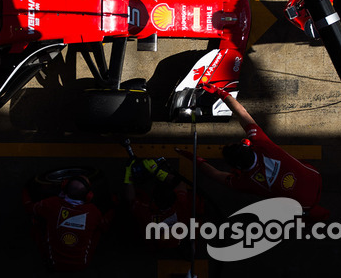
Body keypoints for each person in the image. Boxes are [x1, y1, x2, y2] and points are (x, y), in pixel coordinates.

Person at [176, 83, 328, 219]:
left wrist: (192, 158)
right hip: (313, 177)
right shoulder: (262, 145)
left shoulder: (247, 182)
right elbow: (242, 113)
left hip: (306, 202)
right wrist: (221, 93)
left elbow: (215, 174)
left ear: (237, 167)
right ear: (246, 147)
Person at [22, 174, 114, 272]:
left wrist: (25, 189)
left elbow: (29, 208)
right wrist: (113, 206)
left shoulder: (51, 204)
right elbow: (104, 226)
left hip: (54, 263)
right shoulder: (93, 212)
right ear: (89, 195)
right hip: (81, 265)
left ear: (64, 187)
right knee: (99, 227)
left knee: (35, 220)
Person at [122, 157, 200, 250]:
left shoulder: (146, 213)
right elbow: (181, 184)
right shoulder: (181, 205)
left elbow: (131, 200)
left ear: (154, 200)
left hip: (155, 243)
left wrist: (129, 175)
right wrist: (157, 172)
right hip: (177, 238)